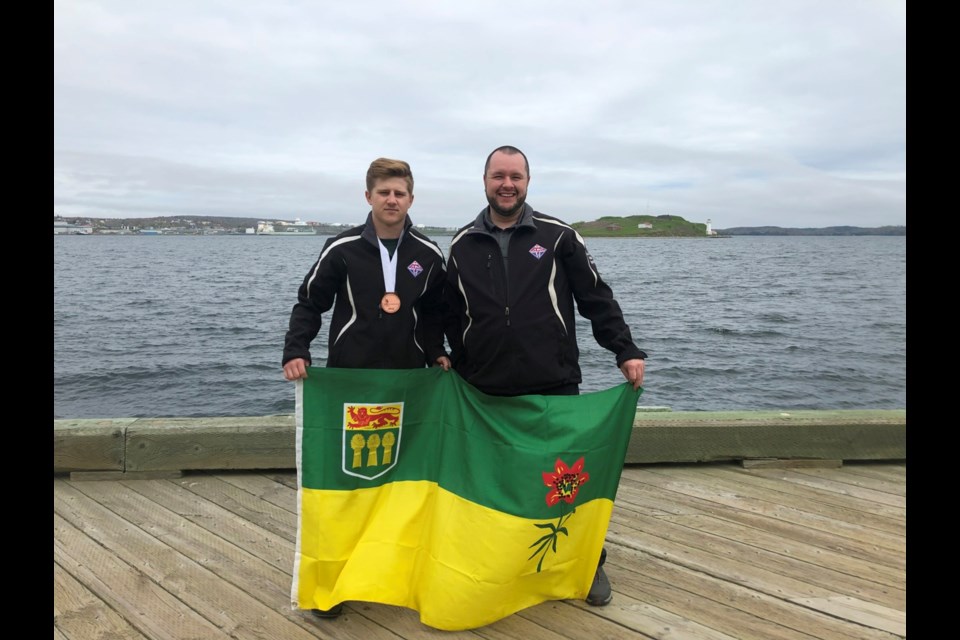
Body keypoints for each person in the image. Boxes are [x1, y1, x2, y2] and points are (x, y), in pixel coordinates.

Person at [443, 145, 645, 608]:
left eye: (515, 176)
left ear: (528, 182)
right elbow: (445, 312)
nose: (506, 184)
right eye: (498, 176)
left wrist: (625, 350)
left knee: (563, 482)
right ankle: (503, 560)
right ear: (485, 181)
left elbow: (597, 298)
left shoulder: (558, 237)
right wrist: (444, 353)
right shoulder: (460, 245)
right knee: (498, 481)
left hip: (552, 380)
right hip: (484, 387)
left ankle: (587, 563)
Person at [282, 157, 450, 618]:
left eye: (399, 192)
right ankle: (335, 582)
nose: (391, 200)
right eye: (383, 192)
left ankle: (397, 571)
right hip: (350, 384)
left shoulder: (429, 253)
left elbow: (436, 311)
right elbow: (309, 303)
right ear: (369, 197)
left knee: (403, 485)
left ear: (411, 198)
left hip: (408, 385)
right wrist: (296, 350)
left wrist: (437, 350)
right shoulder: (342, 248)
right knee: (349, 485)